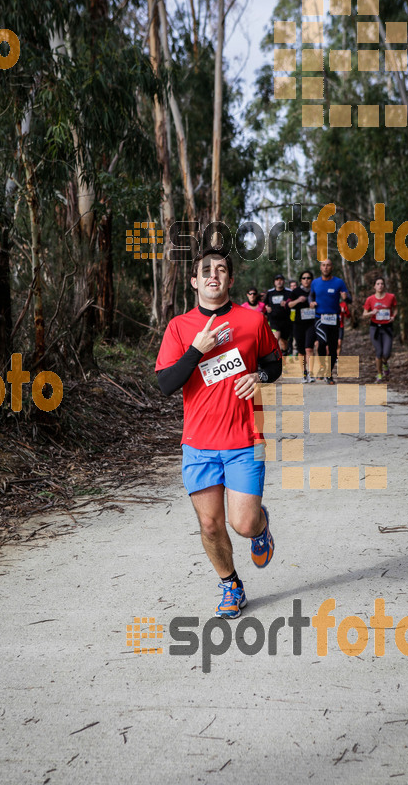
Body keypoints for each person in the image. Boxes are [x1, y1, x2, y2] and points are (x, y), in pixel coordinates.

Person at [155, 249, 282, 619]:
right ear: (194, 281)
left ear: (229, 280)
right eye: (206, 271)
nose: (214, 275)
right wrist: (196, 350)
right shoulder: (179, 327)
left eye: (221, 270)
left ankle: (260, 525)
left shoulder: (253, 321)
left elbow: (274, 366)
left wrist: (255, 376)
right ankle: (231, 584)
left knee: (242, 524)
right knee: (210, 524)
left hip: (246, 439)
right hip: (199, 445)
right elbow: (166, 383)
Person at [310, 259, 352, 384]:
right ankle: (322, 366)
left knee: (333, 348)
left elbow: (349, 298)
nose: (326, 267)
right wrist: (311, 302)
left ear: (331, 267)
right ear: (320, 268)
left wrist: (346, 298)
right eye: (323, 265)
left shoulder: (339, 282)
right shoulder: (315, 282)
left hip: (334, 318)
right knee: (322, 343)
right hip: (319, 317)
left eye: (328, 265)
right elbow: (311, 296)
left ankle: (329, 373)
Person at [362, 276, 398, 382]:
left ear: (384, 286)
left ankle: (385, 363)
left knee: (386, 353)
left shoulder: (391, 297)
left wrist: (393, 317)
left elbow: (395, 309)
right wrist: (371, 313)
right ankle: (379, 374)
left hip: (387, 328)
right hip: (375, 328)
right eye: (378, 284)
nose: (380, 286)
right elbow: (364, 314)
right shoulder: (370, 299)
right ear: (374, 286)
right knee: (379, 352)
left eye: (382, 283)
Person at [288, 270, 316, 383]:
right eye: (304, 278)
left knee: (309, 348)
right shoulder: (296, 291)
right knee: (301, 351)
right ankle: (304, 373)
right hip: (298, 324)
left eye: (308, 278)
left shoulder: (315, 291)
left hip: (311, 323)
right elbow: (289, 304)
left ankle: (311, 373)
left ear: (311, 280)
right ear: (301, 280)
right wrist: (298, 300)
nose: (306, 280)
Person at [264, 274, 293, 355]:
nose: (279, 282)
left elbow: (293, 303)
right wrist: (267, 307)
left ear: (283, 281)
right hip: (274, 320)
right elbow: (265, 304)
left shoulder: (289, 292)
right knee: (275, 338)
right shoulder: (270, 292)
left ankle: (284, 355)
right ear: (274, 282)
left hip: (286, 320)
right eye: (277, 280)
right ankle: (274, 360)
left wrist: (287, 303)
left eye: (281, 280)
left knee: (284, 342)